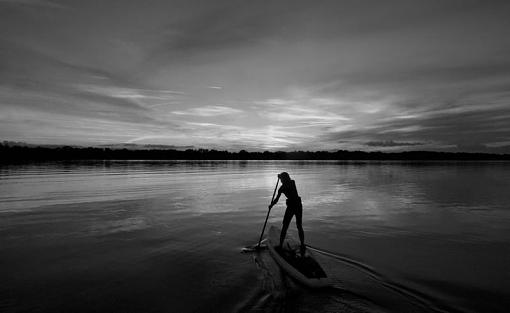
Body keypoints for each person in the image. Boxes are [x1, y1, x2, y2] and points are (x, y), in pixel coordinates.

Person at [268, 172, 306, 256]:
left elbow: (278, 197)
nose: (281, 181)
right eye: (280, 179)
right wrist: (271, 205)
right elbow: (276, 199)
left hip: (294, 206)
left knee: (290, 225)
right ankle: (300, 244)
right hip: (297, 205)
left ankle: (283, 245)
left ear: (285, 178)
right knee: (293, 225)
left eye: (282, 179)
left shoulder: (287, 185)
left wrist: (280, 176)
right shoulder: (290, 183)